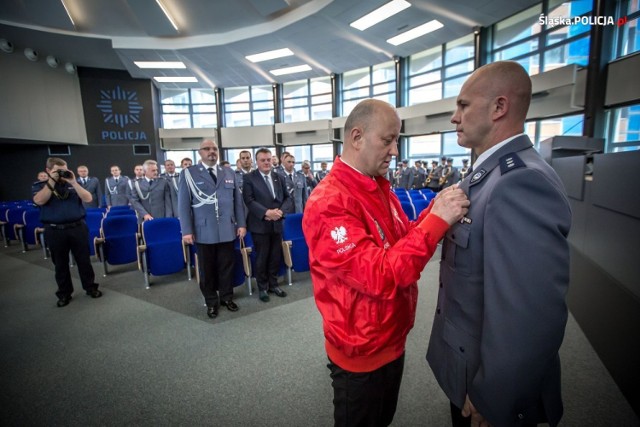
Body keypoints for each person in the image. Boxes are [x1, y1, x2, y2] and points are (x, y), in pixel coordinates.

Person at [302, 99, 469, 427]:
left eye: (397, 141)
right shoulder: (329, 203)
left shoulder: (379, 188)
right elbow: (380, 274)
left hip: (390, 337)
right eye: (387, 140)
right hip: (360, 353)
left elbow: (404, 238)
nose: (395, 151)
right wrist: (436, 221)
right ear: (356, 137)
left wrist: (435, 210)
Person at [426, 61, 572, 427]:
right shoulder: (486, 176)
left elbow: (530, 314)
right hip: (465, 365)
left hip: (488, 389)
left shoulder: (518, 182)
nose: (454, 118)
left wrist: (493, 396)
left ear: (499, 108)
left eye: (463, 105)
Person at [179, 140, 246, 318]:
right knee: (207, 270)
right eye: (207, 149)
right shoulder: (188, 173)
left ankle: (226, 297)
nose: (212, 152)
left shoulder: (228, 171)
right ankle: (211, 301)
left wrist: (241, 224)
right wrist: (186, 230)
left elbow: (237, 202)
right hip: (203, 230)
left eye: (214, 149)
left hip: (227, 229)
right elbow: (183, 205)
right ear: (199, 152)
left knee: (227, 266)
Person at [32, 158, 102, 307]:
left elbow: (88, 198)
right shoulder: (40, 186)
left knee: (84, 261)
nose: (61, 173)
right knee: (60, 264)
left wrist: (74, 182)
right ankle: (64, 293)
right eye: (57, 170)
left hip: (77, 227)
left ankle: (90, 288)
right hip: (54, 230)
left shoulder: (73, 184)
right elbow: (39, 201)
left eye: (63, 169)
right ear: (48, 170)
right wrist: (51, 181)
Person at [242, 148, 292, 303]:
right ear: (256, 162)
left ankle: (273, 284)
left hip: (277, 223)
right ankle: (262, 287)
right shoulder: (249, 178)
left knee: (275, 256)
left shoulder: (279, 177)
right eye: (263, 160)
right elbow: (249, 200)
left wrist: (280, 212)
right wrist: (266, 212)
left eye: (269, 159)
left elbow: (288, 198)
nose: (266, 162)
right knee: (262, 257)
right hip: (260, 224)